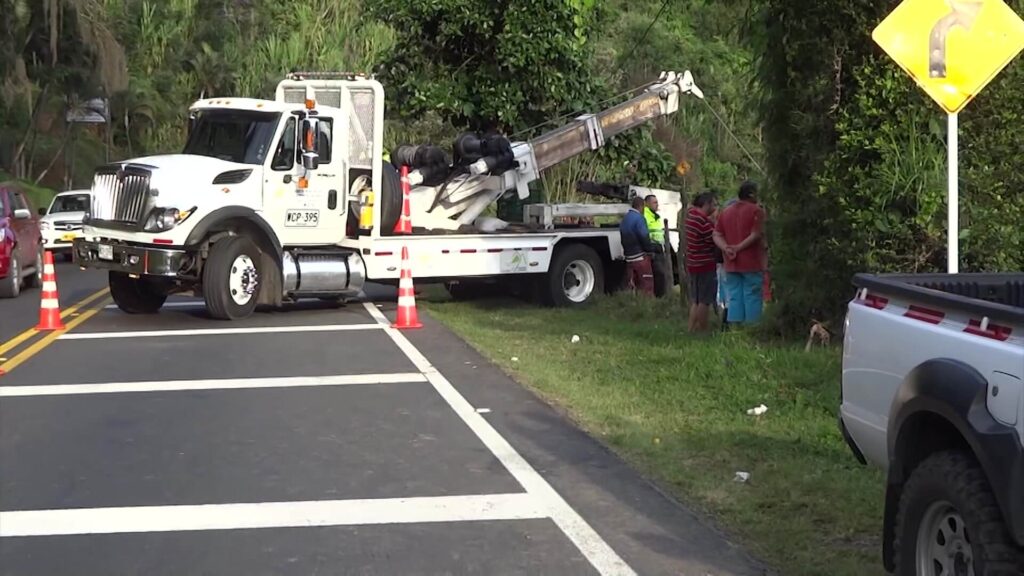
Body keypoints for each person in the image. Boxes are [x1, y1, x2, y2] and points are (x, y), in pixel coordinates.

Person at [714, 180, 767, 325]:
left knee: (735, 296)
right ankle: (752, 328)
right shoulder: (757, 211)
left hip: (731, 262)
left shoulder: (726, 212)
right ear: (751, 194)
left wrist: (726, 248)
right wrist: (739, 247)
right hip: (752, 262)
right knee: (752, 295)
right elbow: (756, 234)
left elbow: (716, 234)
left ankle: (735, 329)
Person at [684, 191, 719, 332]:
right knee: (705, 300)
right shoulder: (702, 221)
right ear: (707, 204)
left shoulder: (691, 217)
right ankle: (703, 329)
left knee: (696, 299)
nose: (715, 207)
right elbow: (714, 239)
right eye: (714, 204)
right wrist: (715, 222)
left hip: (693, 263)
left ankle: (691, 328)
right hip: (704, 263)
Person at [620, 195, 660, 296]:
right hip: (640, 257)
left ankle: (635, 306)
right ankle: (647, 306)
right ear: (641, 206)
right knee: (646, 284)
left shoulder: (625, 218)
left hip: (629, 257)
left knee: (632, 285)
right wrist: (651, 249)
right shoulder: (639, 219)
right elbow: (644, 237)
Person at [643, 194, 670, 297]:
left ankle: (661, 296)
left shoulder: (655, 215)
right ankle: (660, 297)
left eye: (657, 202)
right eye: (654, 202)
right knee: (659, 274)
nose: (657, 204)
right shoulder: (646, 214)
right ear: (647, 203)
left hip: (659, 247)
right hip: (652, 247)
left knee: (661, 274)